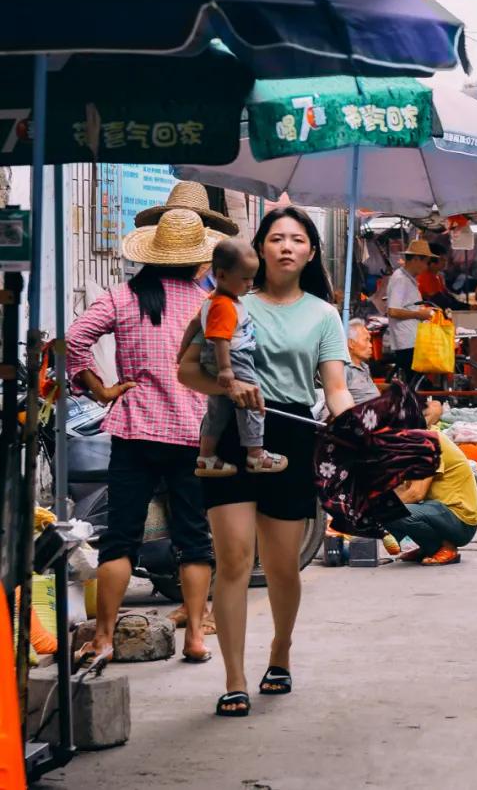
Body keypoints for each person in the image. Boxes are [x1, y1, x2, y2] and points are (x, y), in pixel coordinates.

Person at [177, 204, 353, 719]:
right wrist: (230, 387)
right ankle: (233, 679)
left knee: (282, 565)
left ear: (311, 252)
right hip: (229, 434)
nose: (286, 247)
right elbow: (187, 370)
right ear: (257, 250)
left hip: (294, 435)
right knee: (232, 559)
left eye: (297, 240)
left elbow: (335, 389)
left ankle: (280, 651)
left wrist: (355, 430)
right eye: (276, 238)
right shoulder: (224, 303)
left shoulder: (323, 314)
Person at [67, 208, 218, 666]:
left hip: (135, 430)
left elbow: (73, 341)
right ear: (196, 261)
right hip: (193, 432)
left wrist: (100, 388)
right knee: (194, 539)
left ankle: (105, 639)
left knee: (120, 538)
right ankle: (194, 636)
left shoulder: (121, 298)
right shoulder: (208, 306)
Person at [195, 238, 287, 479]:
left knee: (218, 409)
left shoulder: (211, 301)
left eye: (252, 277)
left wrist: (183, 348)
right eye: (245, 278)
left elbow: (195, 326)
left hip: (222, 357)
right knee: (252, 400)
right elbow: (221, 339)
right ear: (222, 276)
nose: (250, 284)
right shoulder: (225, 305)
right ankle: (256, 454)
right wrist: (226, 369)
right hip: (235, 358)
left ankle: (206, 456)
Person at [384, 398, 477, 566]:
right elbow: (401, 489)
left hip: (459, 520)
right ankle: (427, 547)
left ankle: (445, 548)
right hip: (438, 512)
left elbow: (416, 493)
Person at [384, 241, 440, 373]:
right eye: (426, 262)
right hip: (406, 342)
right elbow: (393, 311)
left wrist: (420, 311)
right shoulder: (401, 279)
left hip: (413, 339)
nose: (426, 267)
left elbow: (406, 307)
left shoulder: (408, 279)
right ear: (415, 259)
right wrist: (418, 314)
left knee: (417, 382)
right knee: (415, 383)